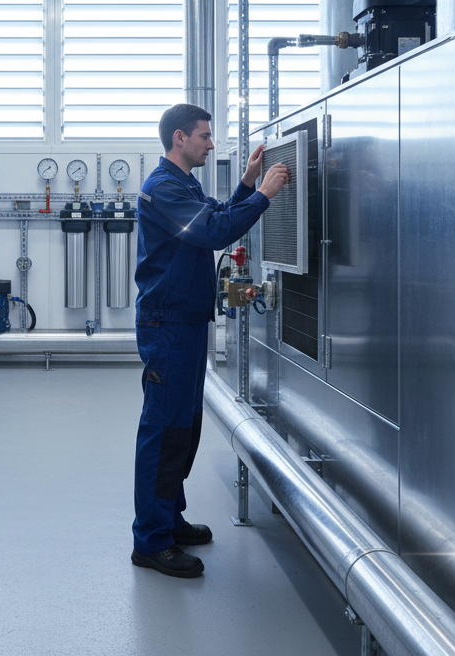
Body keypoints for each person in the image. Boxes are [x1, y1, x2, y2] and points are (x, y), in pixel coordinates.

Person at [130, 103, 290, 578]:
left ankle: (169, 519)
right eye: (204, 136)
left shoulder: (182, 184)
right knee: (163, 431)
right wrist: (264, 195)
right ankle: (151, 540)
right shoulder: (163, 188)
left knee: (184, 428)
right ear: (180, 138)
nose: (210, 143)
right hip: (169, 324)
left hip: (186, 322)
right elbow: (215, 230)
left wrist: (245, 184)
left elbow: (216, 212)